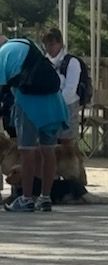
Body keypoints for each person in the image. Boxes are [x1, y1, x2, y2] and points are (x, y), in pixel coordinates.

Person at [0, 35, 68, 212]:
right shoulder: (27, 45)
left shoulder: (2, 55)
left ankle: (26, 198)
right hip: (54, 104)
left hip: (29, 105)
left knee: (27, 152)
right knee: (48, 150)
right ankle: (45, 198)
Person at [42, 28, 81, 151]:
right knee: (49, 145)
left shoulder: (72, 62)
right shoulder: (43, 63)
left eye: (52, 44)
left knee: (67, 146)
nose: (49, 48)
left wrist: (57, 104)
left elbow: (70, 89)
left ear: (60, 43)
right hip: (48, 108)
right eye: (46, 45)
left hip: (67, 108)